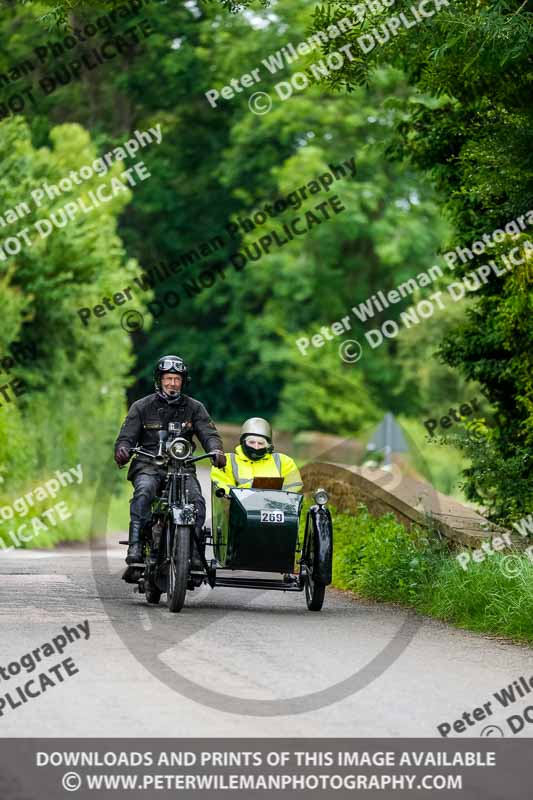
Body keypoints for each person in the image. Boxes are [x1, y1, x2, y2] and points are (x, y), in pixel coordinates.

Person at [114, 354, 226, 565]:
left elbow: (209, 434)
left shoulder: (195, 408)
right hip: (149, 464)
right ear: (160, 380)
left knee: (197, 502)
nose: (172, 383)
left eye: (177, 379)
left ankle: (192, 553)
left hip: (182, 467)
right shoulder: (141, 407)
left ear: (183, 381)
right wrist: (123, 449)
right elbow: (125, 437)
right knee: (144, 491)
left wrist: (216, 451)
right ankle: (136, 545)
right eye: (168, 378)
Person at [211, 417, 302, 495]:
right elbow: (221, 485)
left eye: (261, 443)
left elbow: (295, 487)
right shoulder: (226, 461)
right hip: (238, 511)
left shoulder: (284, 461)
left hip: (276, 510)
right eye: (251, 442)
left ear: (268, 446)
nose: (256, 447)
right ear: (243, 442)